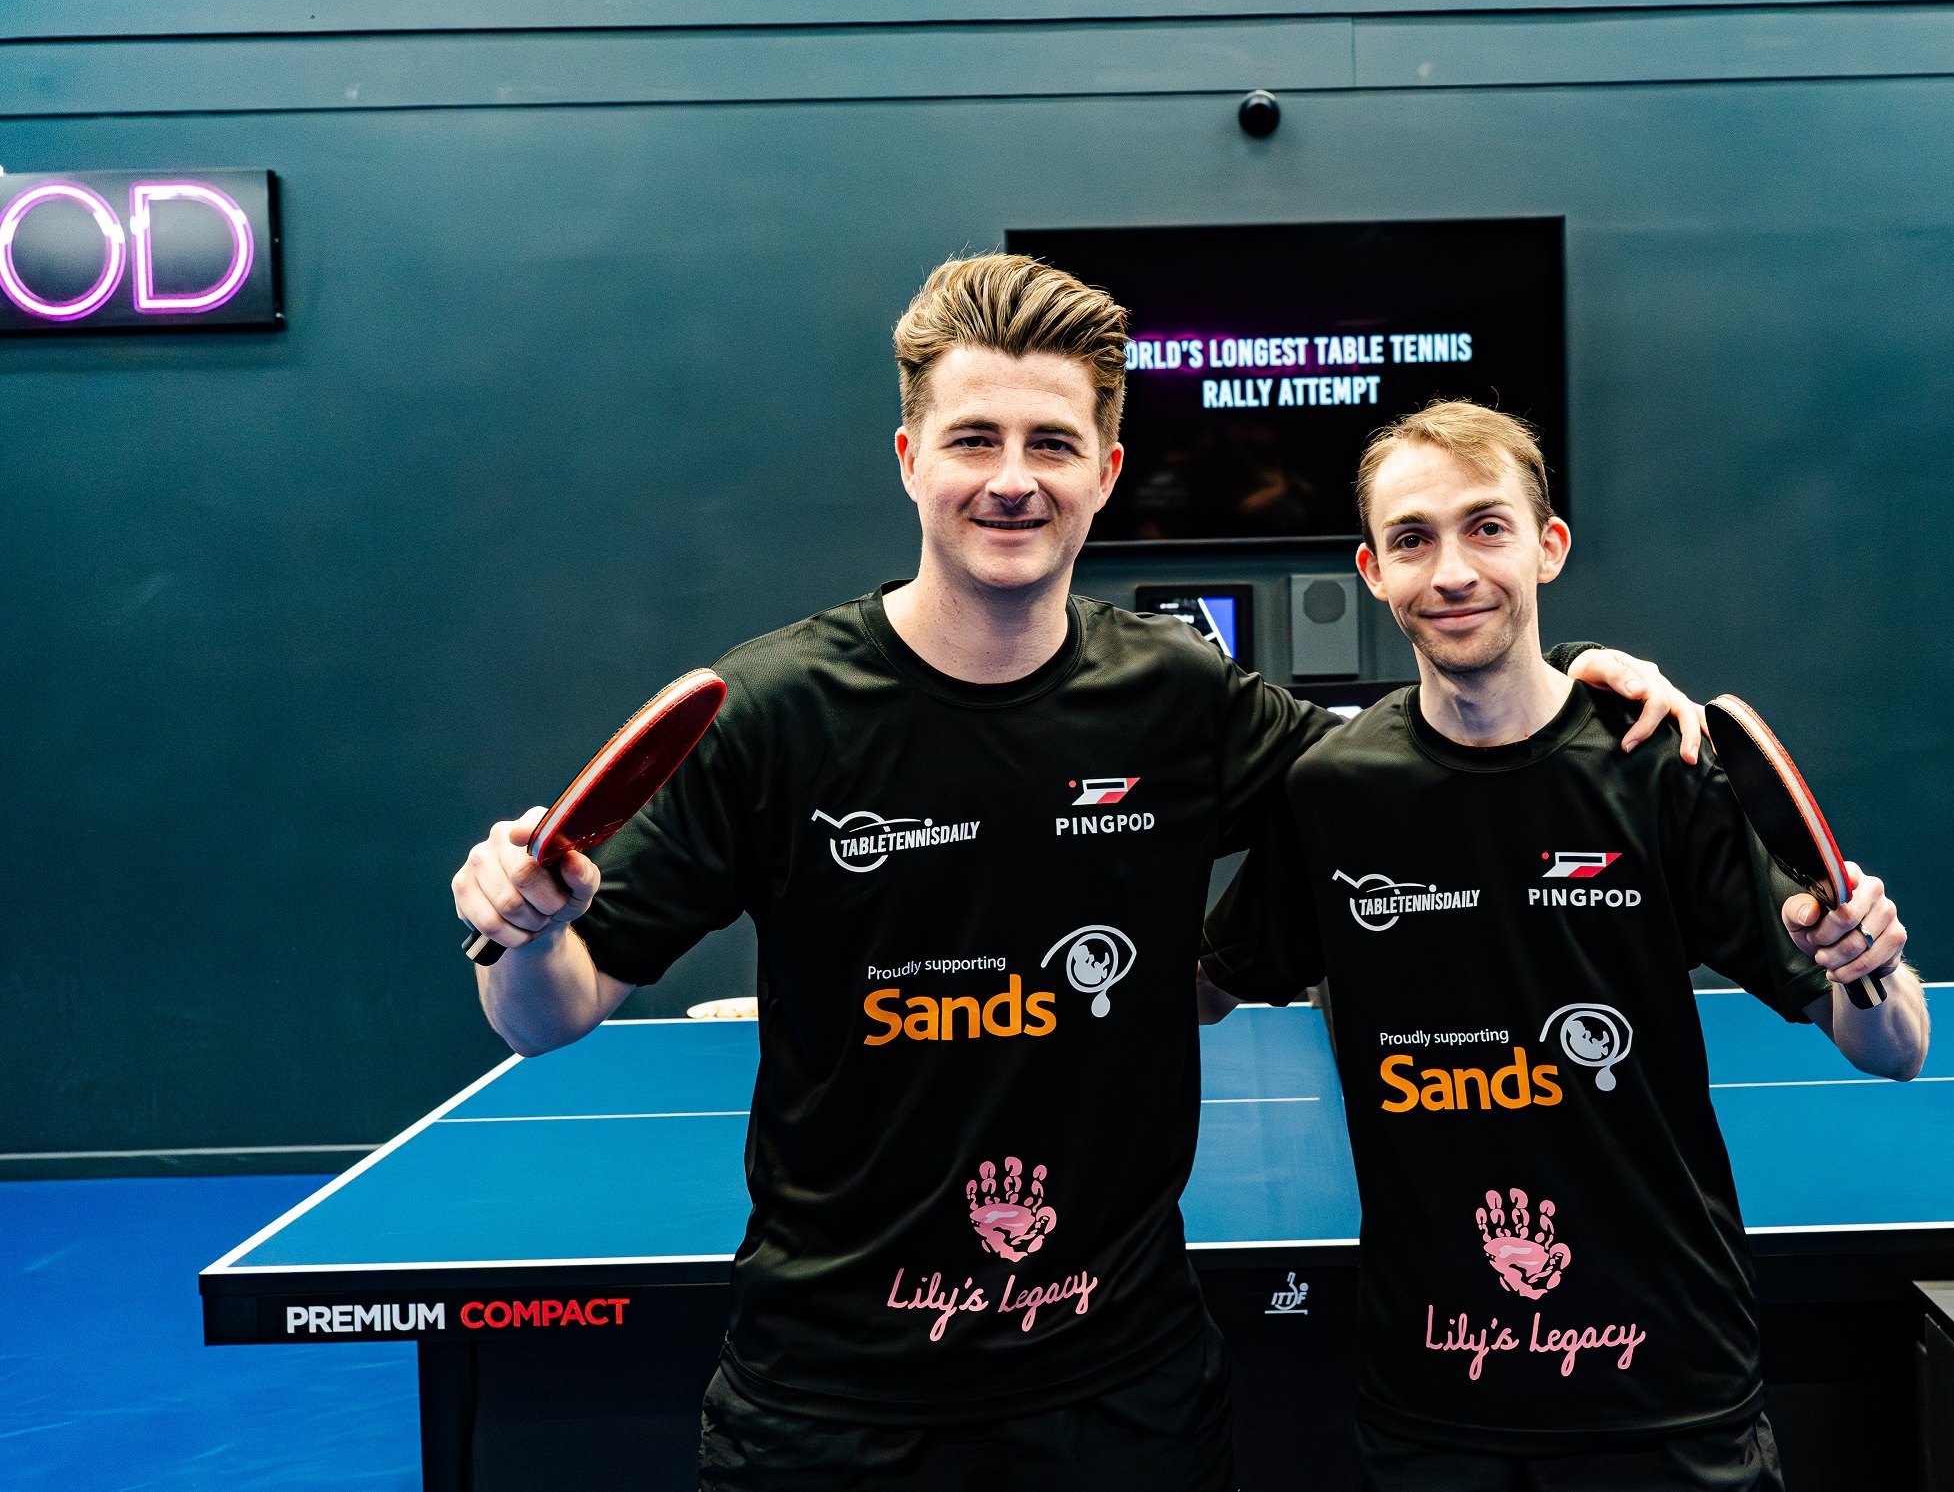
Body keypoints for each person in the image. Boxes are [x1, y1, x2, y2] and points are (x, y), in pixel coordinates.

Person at [448, 256, 1706, 1492]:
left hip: (1119, 1400)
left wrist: (1572, 678)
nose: (1010, 479)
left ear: (1103, 473)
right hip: (829, 1403)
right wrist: (520, 929)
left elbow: (1423, 773)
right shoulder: (776, 709)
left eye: (1049, 444)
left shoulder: (1176, 698)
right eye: (972, 439)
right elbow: (548, 1014)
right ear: (909, 461)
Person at [1200, 400, 1930, 1492]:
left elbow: (1893, 1047)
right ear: (1372, 570)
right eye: (1412, 538)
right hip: (1434, 1397)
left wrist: (1862, 961)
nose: (1452, 570)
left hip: (1664, 1387)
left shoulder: (1653, 760)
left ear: (1547, 545)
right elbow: (1201, 986)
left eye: (1486, 527)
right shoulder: (1334, 794)